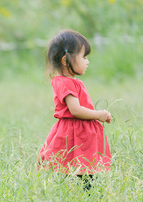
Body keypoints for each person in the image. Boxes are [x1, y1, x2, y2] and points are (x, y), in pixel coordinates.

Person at [39, 29, 112, 189]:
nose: (87, 62)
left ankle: (84, 195)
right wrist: (98, 114)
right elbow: (76, 110)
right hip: (74, 131)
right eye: (84, 57)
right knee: (79, 167)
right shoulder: (65, 82)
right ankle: (85, 196)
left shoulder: (70, 81)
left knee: (80, 166)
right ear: (66, 60)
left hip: (79, 130)